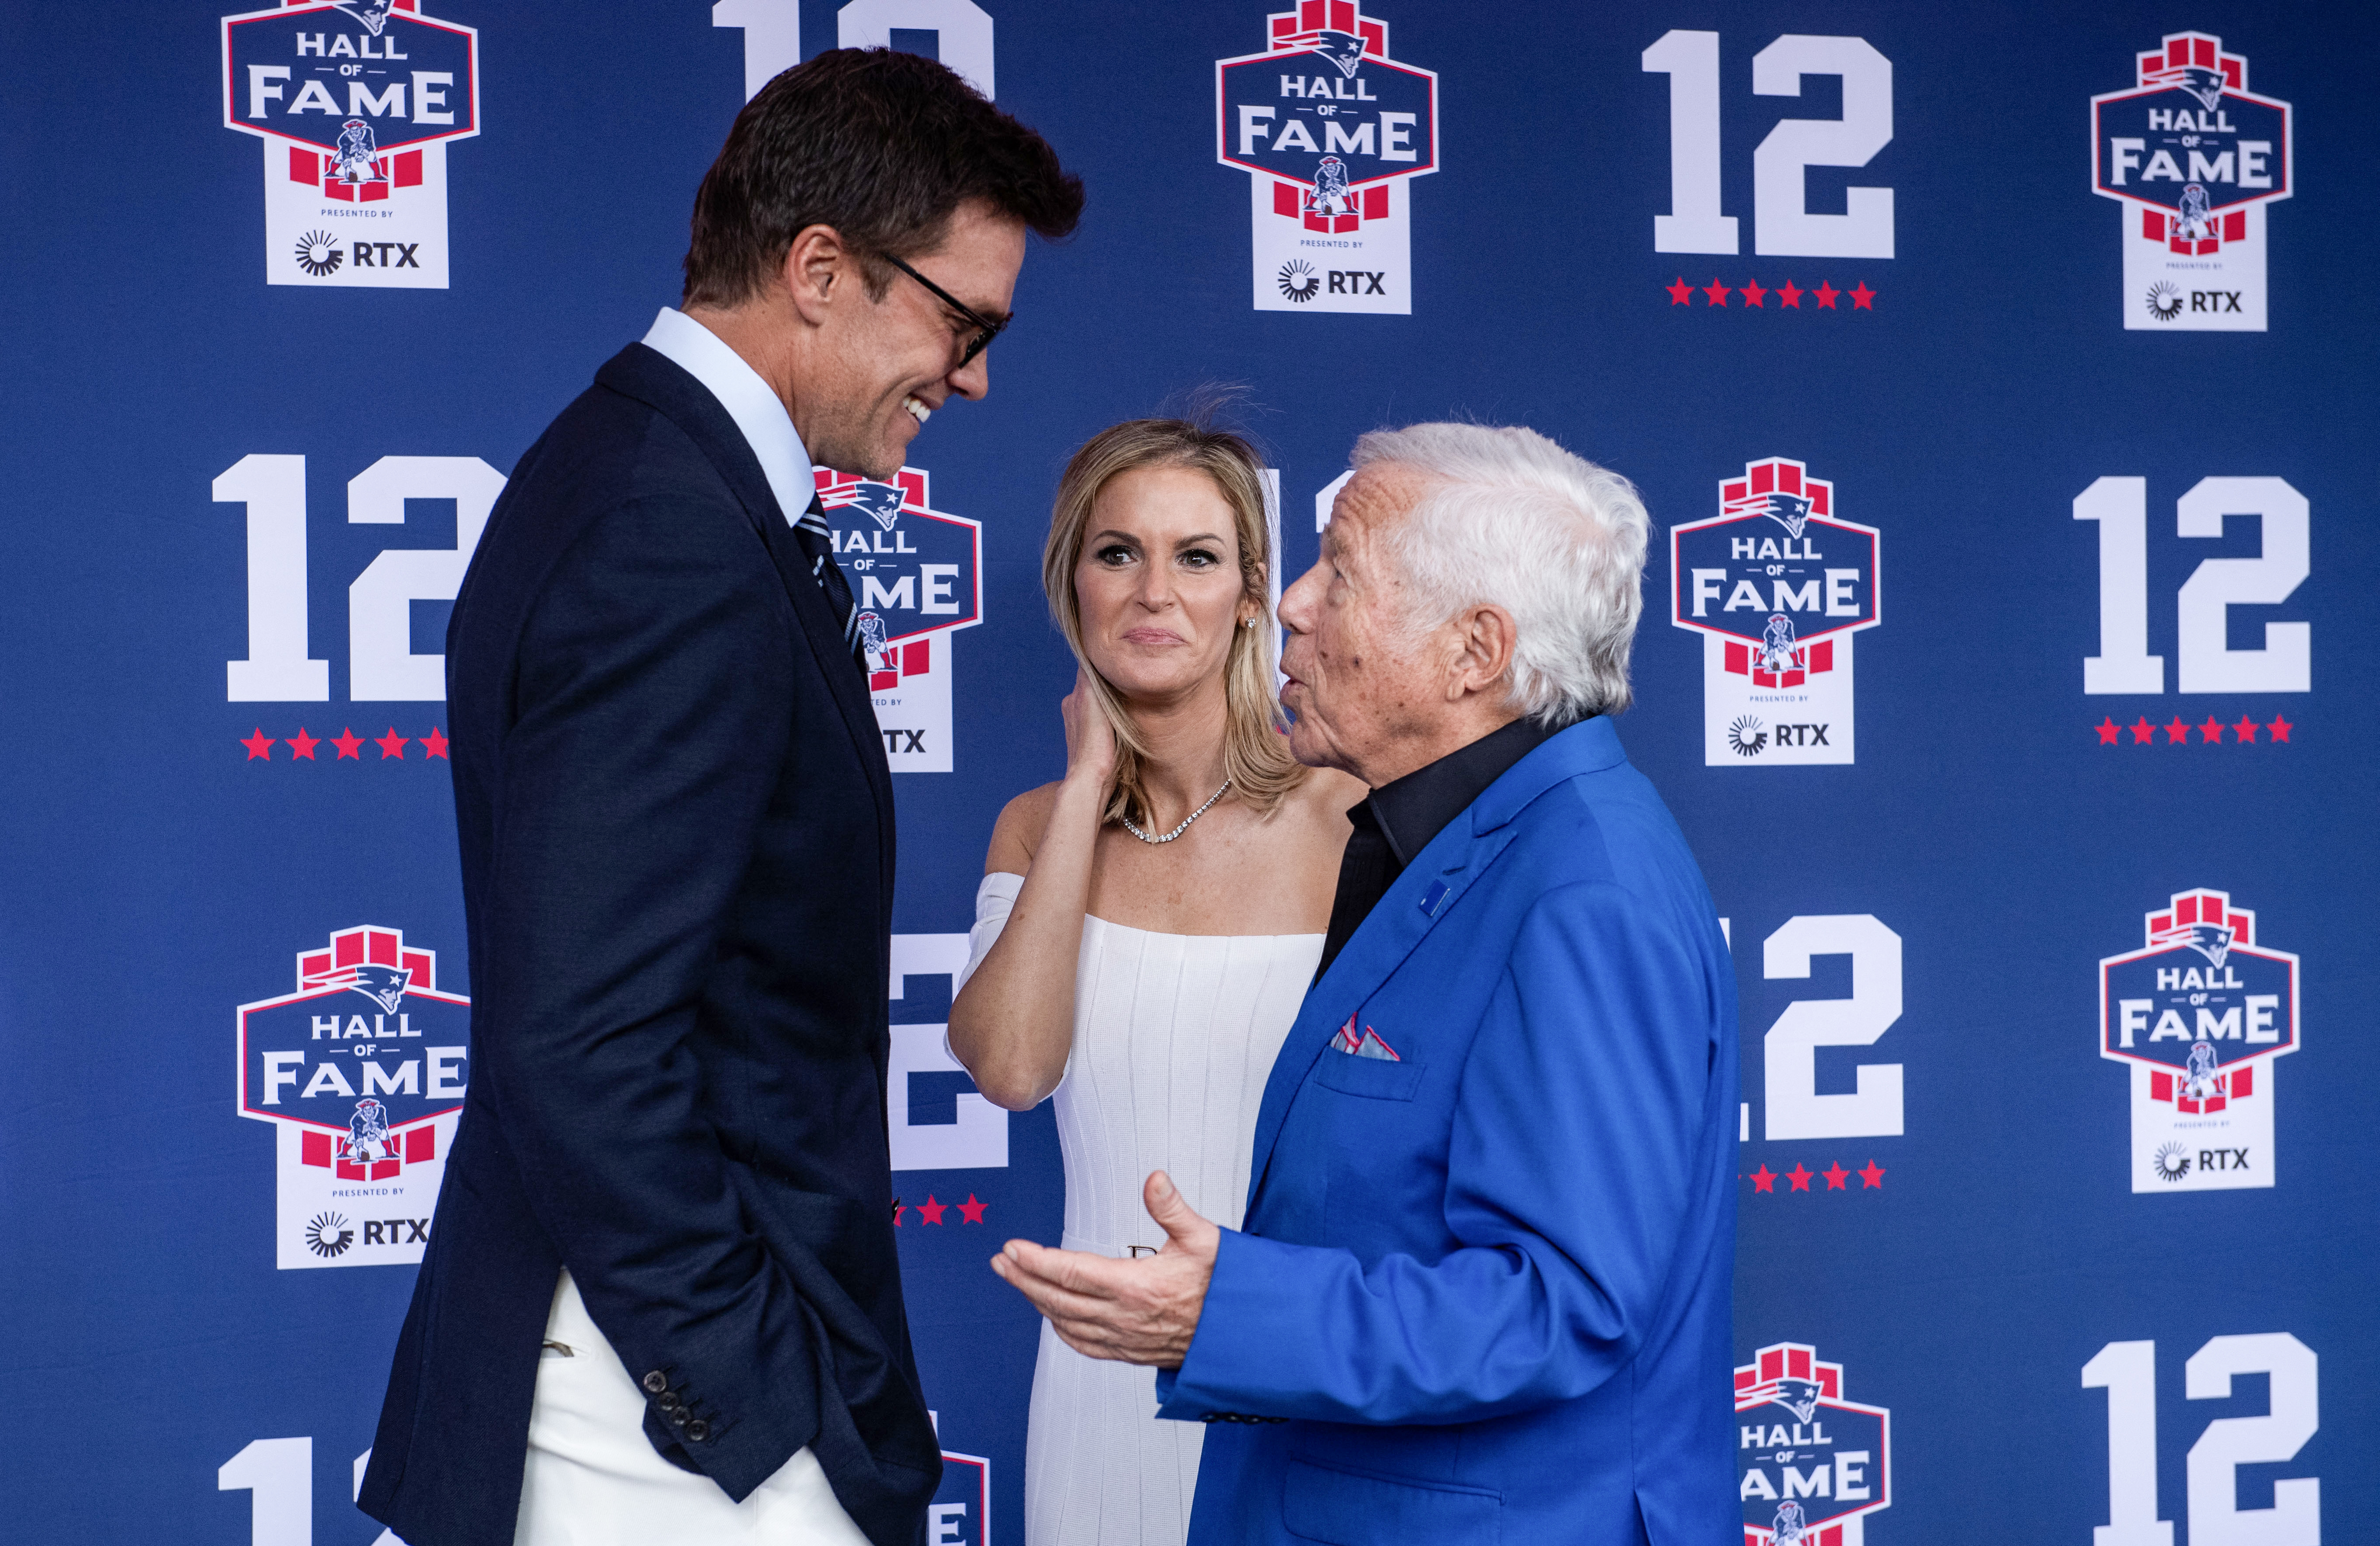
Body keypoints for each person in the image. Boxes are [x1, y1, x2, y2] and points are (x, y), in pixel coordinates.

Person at [359, 51, 1081, 1546]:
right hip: (656, 1434)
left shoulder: (658, 481)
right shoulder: (664, 531)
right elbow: (582, 1045)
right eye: (965, 320)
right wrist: (755, 1407)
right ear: (821, 268)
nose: (976, 376)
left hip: (649, 1393)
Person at [989, 423, 1740, 1544]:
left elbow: (1562, 1306)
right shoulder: (1463, 844)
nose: (1288, 604)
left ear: (1473, 650)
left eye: (1340, 572)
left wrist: (1227, 1310)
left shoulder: (1585, 887)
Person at [945, 419, 1364, 1546]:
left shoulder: (1351, 819)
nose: (1154, 593)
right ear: (1070, 584)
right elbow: (1014, 1069)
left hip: (1297, 1376)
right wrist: (1087, 785)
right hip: (1096, 1393)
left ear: (1252, 594)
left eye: (1197, 556)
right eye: (1117, 552)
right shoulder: (1036, 828)